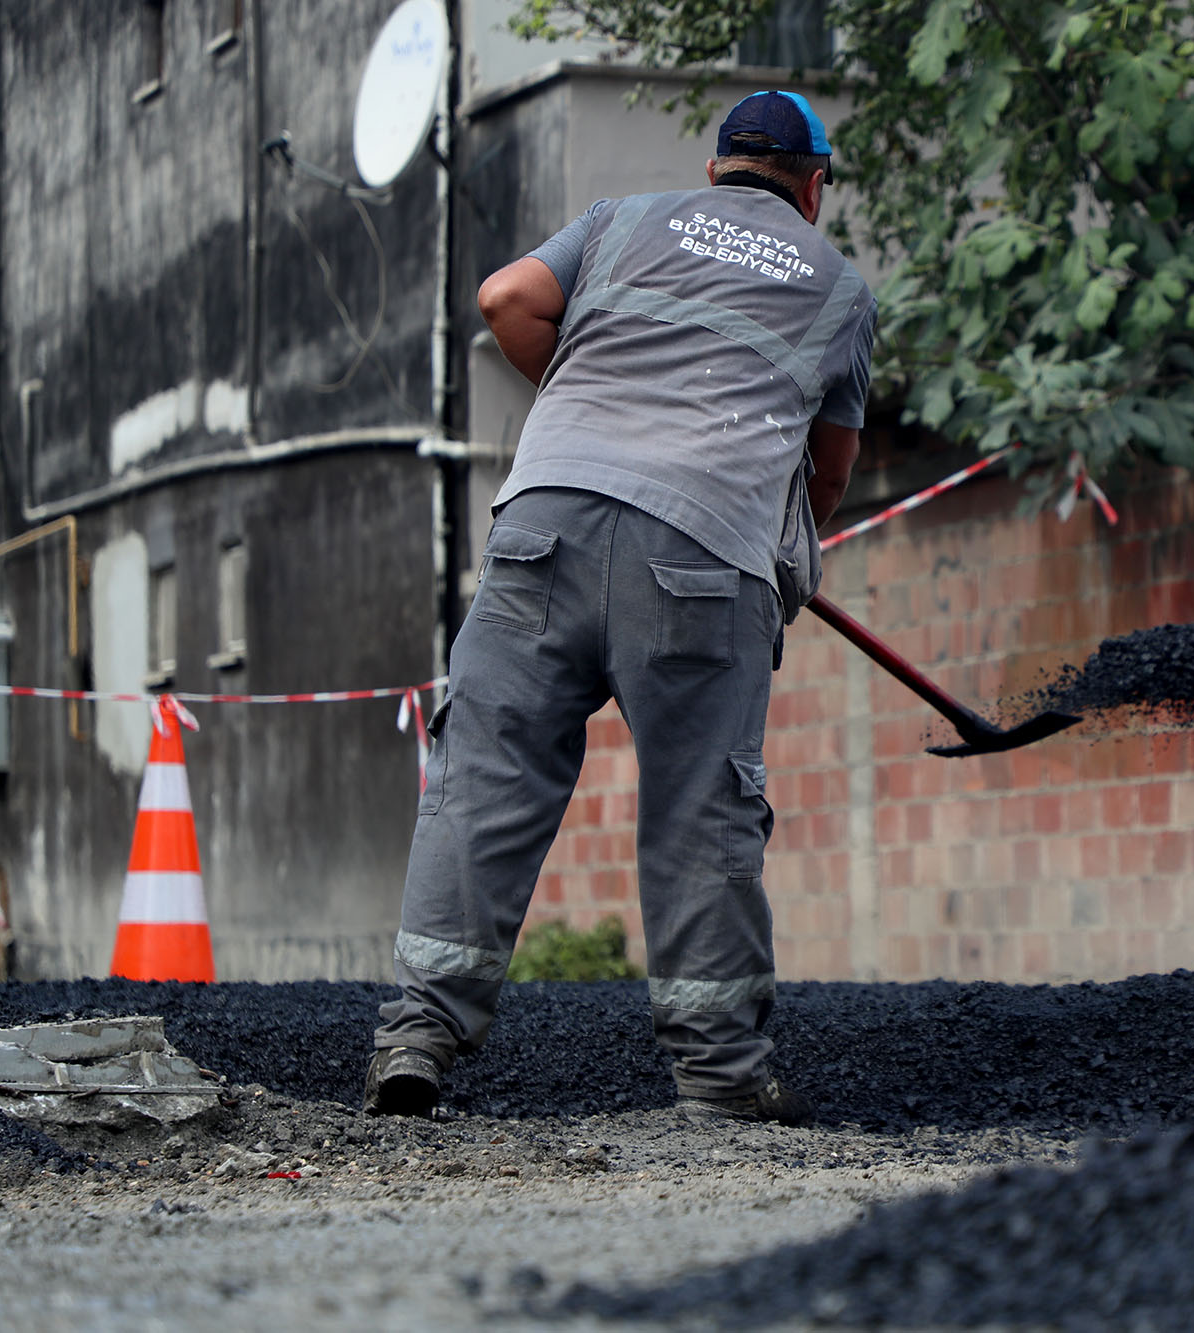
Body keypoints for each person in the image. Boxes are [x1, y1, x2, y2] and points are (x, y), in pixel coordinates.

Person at [363, 91, 874, 1126]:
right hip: (701, 556)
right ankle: (721, 1073)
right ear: (813, 188)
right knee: (699, 804)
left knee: (484, 775)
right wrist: (784, 558)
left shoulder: (618, 220)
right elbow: (826, 472)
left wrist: (591, 408)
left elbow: (506, 298)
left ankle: (416, 1034)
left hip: (541, 527)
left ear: (715, 166)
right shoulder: (839, 287)